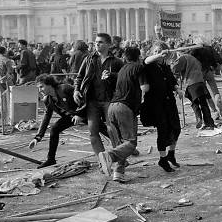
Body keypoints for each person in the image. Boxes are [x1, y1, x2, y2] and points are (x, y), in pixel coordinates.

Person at [97, 47, 148, 182]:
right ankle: (109, 156)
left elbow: (113, 77)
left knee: (121, 144)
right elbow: (145, 88)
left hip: (112, 107)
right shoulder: (139, 67)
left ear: (125, 57)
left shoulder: (123, 69)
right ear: (138, 56)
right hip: (125, 108)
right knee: (130, 144)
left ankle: (118, 173)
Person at [73, 33, 123, 159]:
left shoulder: (116, 61)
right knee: (93, 131)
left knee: (112, 130)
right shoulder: (89, 59)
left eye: (100, 42)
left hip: (109, 100)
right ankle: (102, 159)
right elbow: (79, 77)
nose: (97, 44)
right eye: (96, 42)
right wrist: (76, 90)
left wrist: (112, 75)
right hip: (92, 101)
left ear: (108, 44)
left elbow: (123, 79)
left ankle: (119, 157)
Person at [141, 43, 182, 172]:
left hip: (169, 101)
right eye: (156, 51)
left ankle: (171, 154)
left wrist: (178, 89)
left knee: (176, 128)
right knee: (163, 130)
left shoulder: (164, 66)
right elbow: (146, 60)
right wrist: (159, 54)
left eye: (161, 51)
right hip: (156, 104)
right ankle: (162, 159)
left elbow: (171, 80)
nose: (159, 53)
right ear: (153, 52)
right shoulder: (148, 65)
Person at [29, 75, 83, 169]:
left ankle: (117, 148)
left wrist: (80, 114)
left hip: (84, 112)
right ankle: (51, 159)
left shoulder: (65, 88)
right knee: (54, 129)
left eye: (41, 87)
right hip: (70, 117)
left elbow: (83, 98)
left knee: (101, 128)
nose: (40, 90)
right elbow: (47, 117)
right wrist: (38, 137)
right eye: (38, 88)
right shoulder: (47, 99)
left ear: (49, 84)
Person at [171, 47, 215, 129]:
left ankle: (198, 118)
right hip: (200, 81)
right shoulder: (195, 59)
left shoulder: (183, 57)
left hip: (191, 82)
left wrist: (172, 63)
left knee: (194, 103)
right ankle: (209, 122)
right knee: (203, 103)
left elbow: (174, 69)